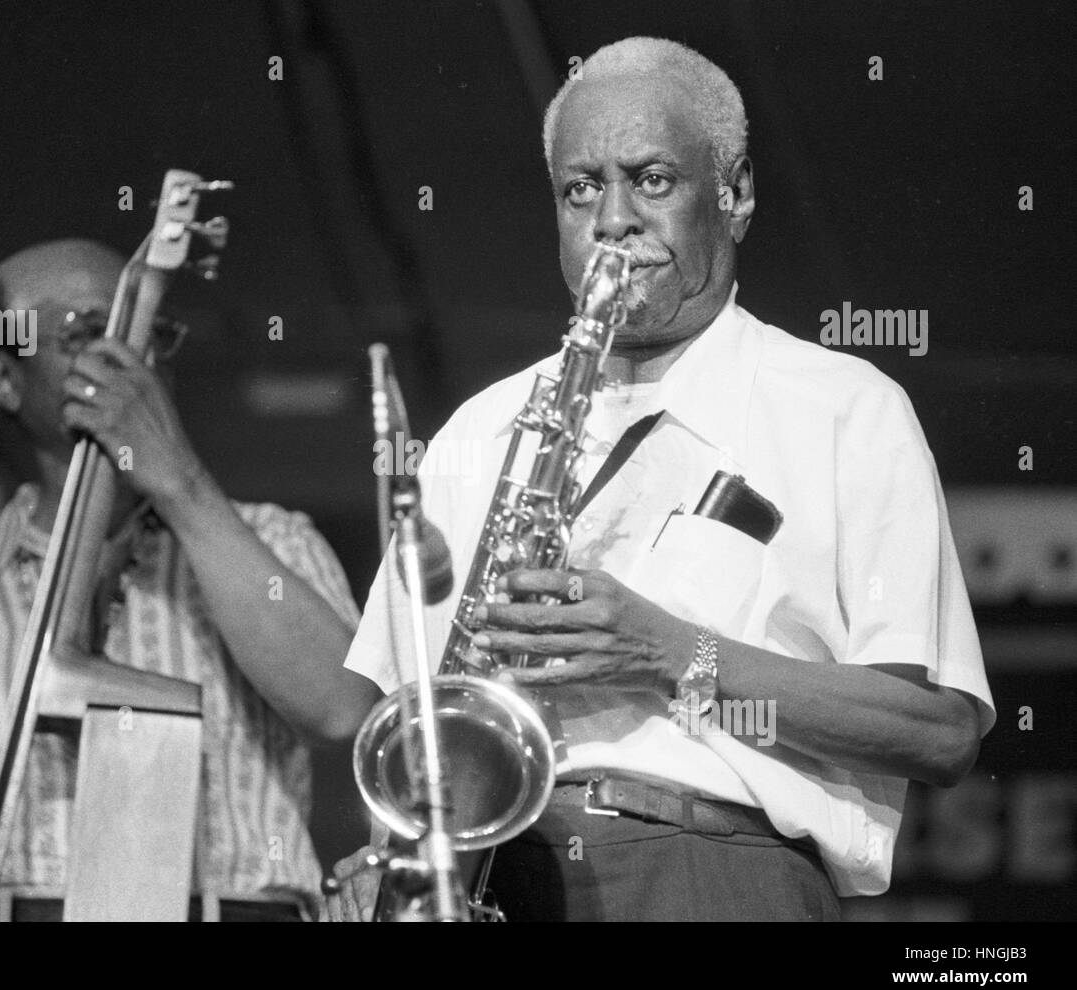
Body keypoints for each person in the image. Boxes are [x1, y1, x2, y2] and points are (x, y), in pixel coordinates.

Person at [330, 37, 994, 922]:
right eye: (580, 189)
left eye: (650, 180)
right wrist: (395, 854)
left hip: (717, 878)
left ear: (737, 193)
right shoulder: (481, 428)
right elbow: (395, 715)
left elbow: (938, 730)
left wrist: (671, 652)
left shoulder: (847, 410)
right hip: (487, 884)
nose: (612, 220)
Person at [0, 238, 380, 922]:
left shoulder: (274, 540)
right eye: (85, 332)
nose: (128, 359)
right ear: (4, 378)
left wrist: (176, 479)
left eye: (149, 333)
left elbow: (342, 707)